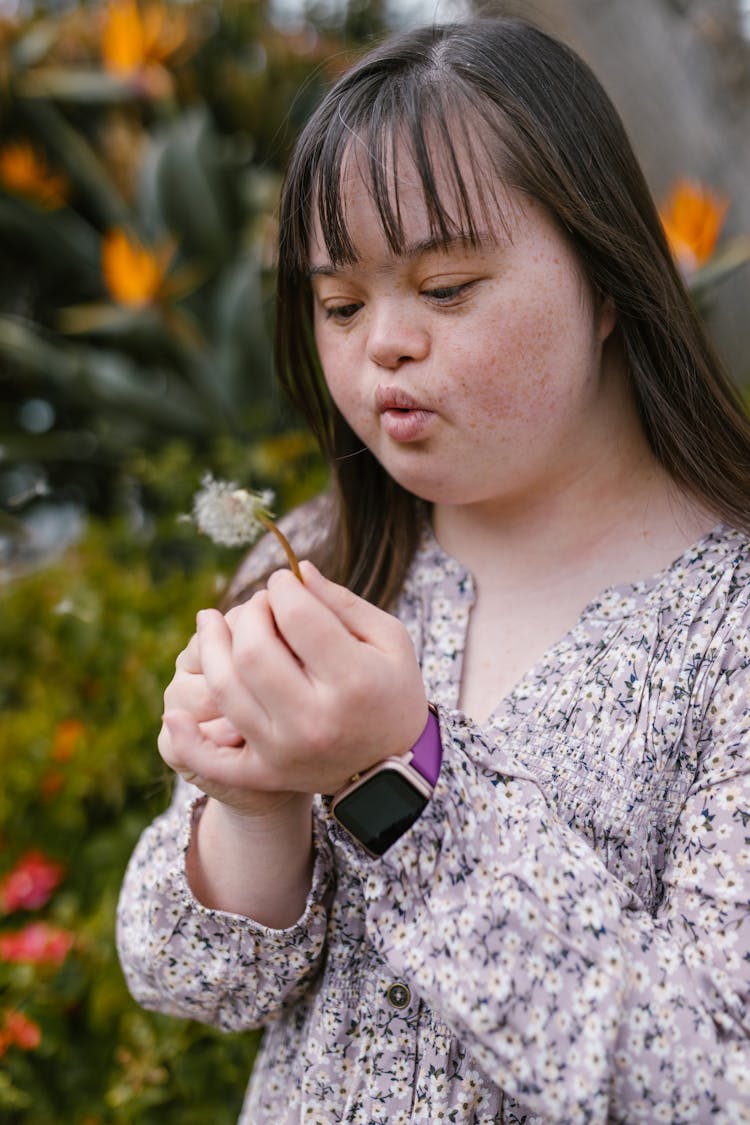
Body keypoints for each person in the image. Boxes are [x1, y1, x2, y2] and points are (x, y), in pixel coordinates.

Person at [117, 15, 750, 1124]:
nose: (383, 346)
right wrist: (249, 804)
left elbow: (710, 1080)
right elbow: (196, 980)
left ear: (609, 280)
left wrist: (393, 782)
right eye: (341, 304)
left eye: (446, 287)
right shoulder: (327, 560)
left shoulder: (728, 625)